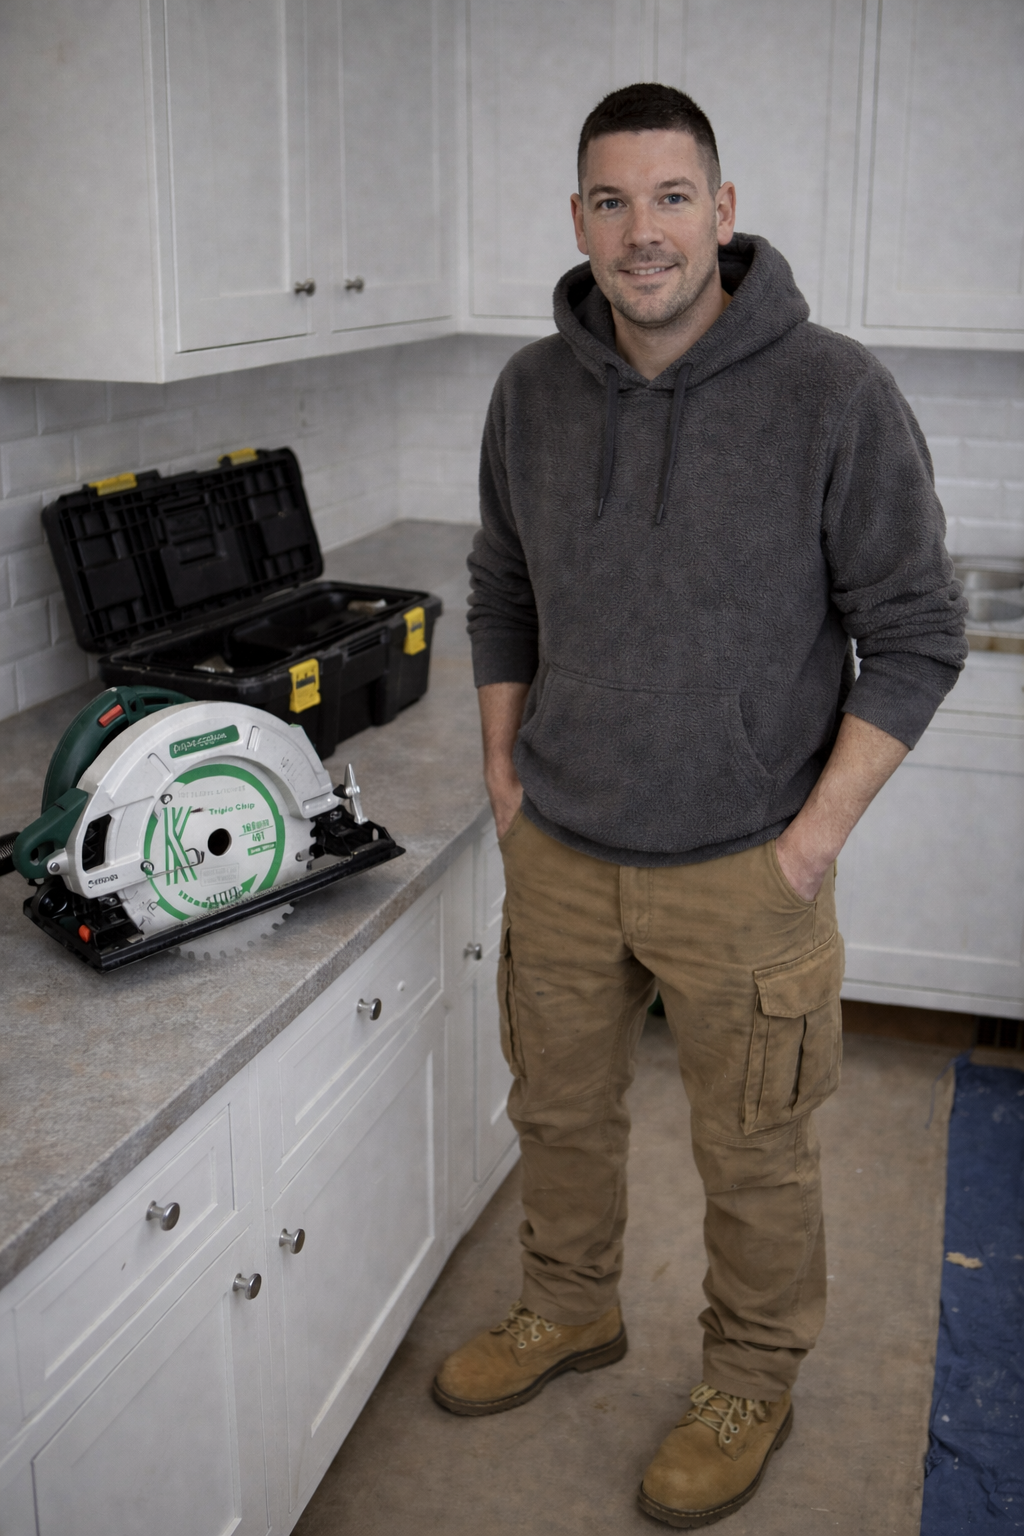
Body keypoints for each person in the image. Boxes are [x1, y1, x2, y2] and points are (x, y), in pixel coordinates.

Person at [433, 82, 967, 1528]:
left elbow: (918, 630)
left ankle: (751, 1372)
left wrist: (813, 840)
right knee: (557, 1111)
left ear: (723, 214)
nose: (642, 230)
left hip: (745, 865)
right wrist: (502, 769)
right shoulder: (531, 393)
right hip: (562, 845)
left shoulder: (832, 391)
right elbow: (500, 586)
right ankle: (569, 1306)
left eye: (673, 198)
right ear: (579, 221)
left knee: (755, 1148)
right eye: (612, 200)